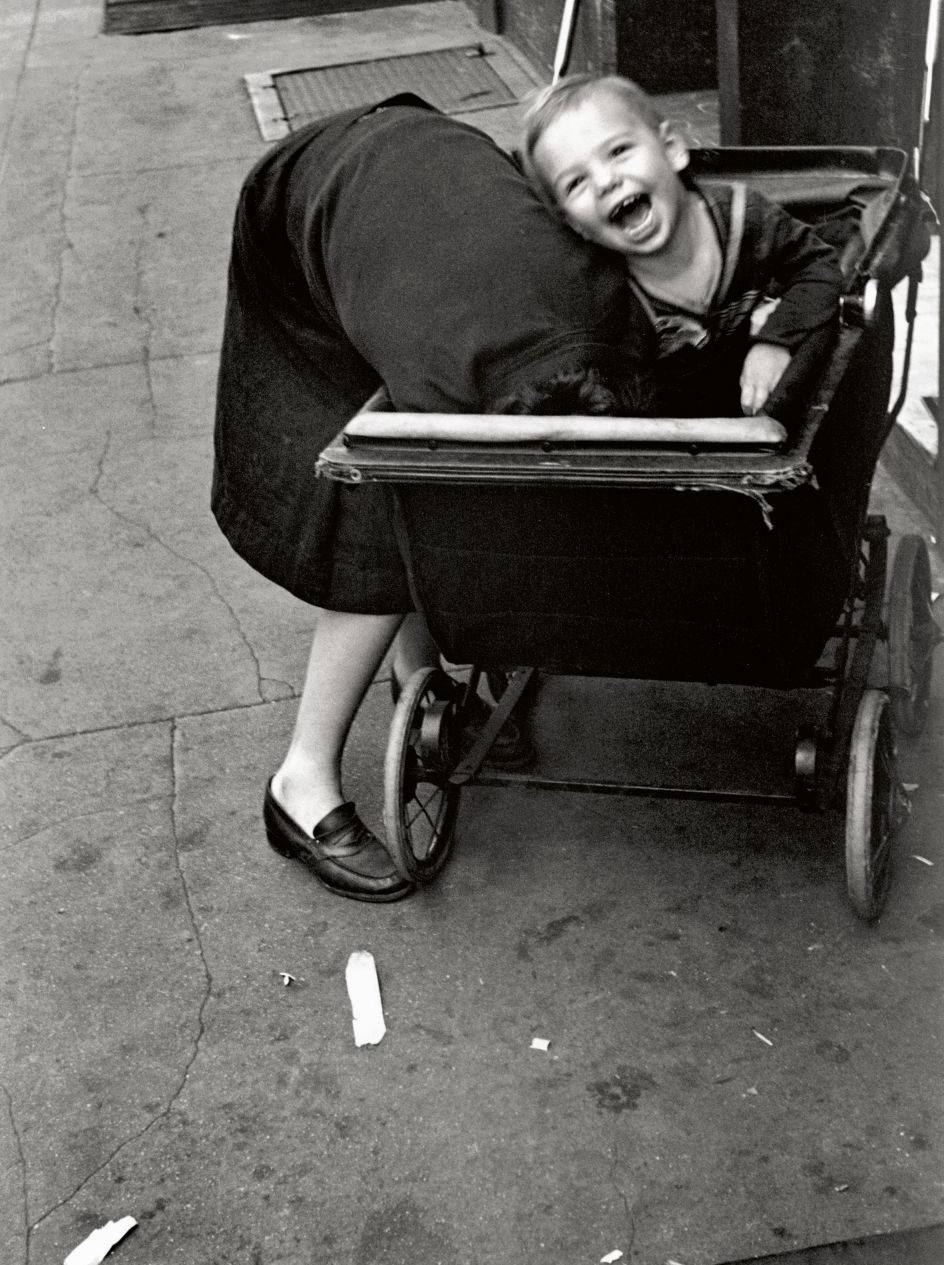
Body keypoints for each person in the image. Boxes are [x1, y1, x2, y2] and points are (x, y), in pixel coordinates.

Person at [212, 93, 650, 904]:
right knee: (378, 513)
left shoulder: (607, 308)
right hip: (304, 205)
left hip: (425, 175)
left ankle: (427, 687)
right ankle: (298, 783)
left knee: (421, 503)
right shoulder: (441, 368)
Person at [520, 74, 843, 420]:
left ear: (671, 149)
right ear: (575, 225)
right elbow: (637, 410)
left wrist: (776, 341)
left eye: (618, 151)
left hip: (769, 395)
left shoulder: (743, 217)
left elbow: (820, 265)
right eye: (576, 183)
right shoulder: (612, 297)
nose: (605, 181)